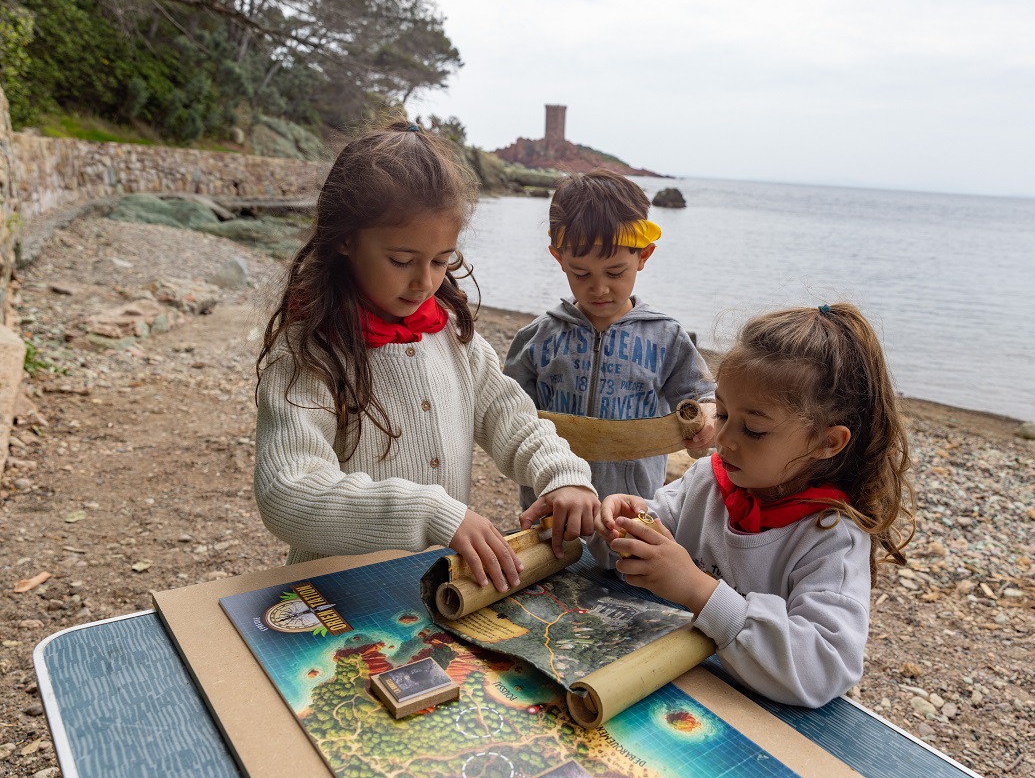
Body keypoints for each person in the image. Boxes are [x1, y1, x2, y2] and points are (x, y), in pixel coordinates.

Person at [254, 118, 599, 590]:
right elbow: (287, 493)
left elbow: (511, 417)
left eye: (442, 260)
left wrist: (563, 475)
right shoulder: (310, 352)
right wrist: (429, 512)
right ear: (345, 239)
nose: (425, 282)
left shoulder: (450, 333)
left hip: (437, 592)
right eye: (402, 261)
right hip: (336, 598)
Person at [593, 304, 914, 707]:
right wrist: (624, 525)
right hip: (674, 688)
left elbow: (825, 665)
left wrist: (699, 590)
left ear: (826, 442)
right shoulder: (710, 480)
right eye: (722, 413)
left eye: (754, 429)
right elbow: (652, 537)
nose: (723, 439)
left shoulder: (832, 539)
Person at [503, 169, 716, 515]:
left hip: (633, 511)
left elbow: (705, 396)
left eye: (616, 272)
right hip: (551, 507)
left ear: (643, 257)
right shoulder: (535, 339)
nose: (599, 288)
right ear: (559, 258)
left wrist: (709, 415)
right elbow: (507, 419)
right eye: (581, 273)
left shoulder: (666, 337)